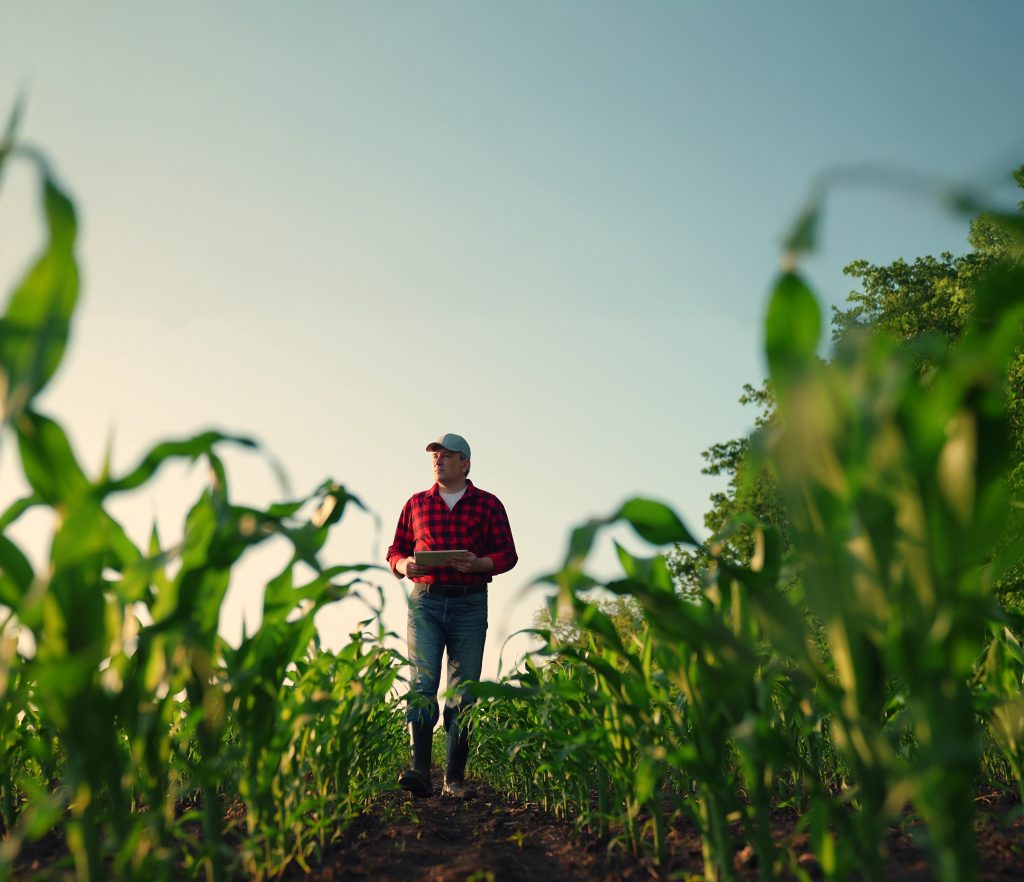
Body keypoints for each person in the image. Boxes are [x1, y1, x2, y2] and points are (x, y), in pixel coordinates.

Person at [386, 433, 518, 799]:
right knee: (422, 686)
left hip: (470, 603)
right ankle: (419, 773)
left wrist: (479, 564)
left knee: (463, 693)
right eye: (435, 456)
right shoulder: (416, 504)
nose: (438, 461)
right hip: (425, 601)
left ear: (465, 463)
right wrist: (405, 564)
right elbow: (395, 549)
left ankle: (454, 780)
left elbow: (508, 554)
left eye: (446, 456)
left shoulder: (488, 504)